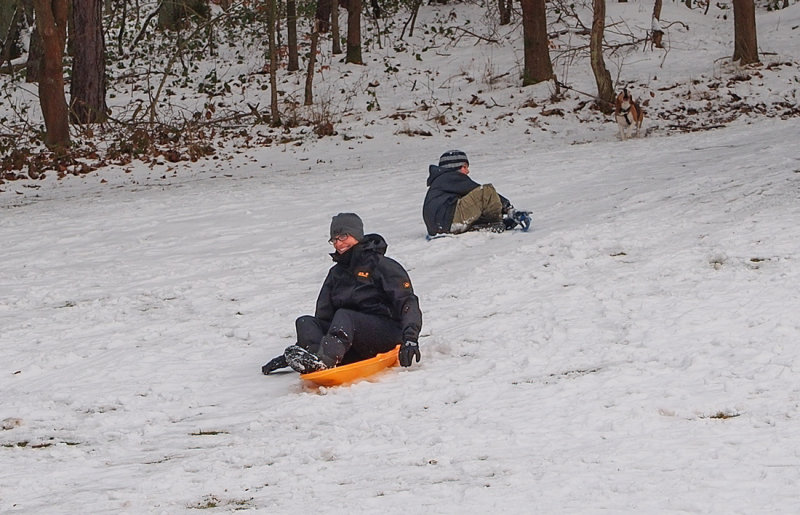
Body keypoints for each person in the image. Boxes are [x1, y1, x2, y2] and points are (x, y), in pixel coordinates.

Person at [262, 213, 423, 375]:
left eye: (343, 236)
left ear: (357, 235)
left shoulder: (382, 265)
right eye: (334, 239)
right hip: (350, 341)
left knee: (345, 316)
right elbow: (324, 318)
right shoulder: (336, 273)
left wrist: (410, 338)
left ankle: (325, 361)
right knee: (305, 322)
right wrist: (298, 349)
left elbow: (407, 302)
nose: (339, 243)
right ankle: (314, 359)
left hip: (385, 334)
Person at [422, 149, 528, 236]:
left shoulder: (442, 181)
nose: (467, 171)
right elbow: (480, 192)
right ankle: (493, 223)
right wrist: (509, 209)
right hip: (448, 220)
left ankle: (481, 225)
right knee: (487, 191)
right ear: (453, 166)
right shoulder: (451, 177)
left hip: (440, 225)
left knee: (470, 200)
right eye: (464, 167)